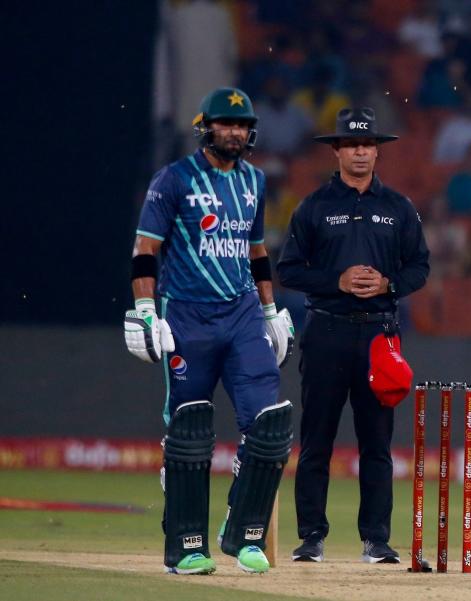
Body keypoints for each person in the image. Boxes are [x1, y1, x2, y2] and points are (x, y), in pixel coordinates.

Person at [124, 88, 295, 575]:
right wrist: (144, 309)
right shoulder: (173, 179)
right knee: (190, 430)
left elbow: (257, 251)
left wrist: (268, 310)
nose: (236, 132)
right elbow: (144, 248)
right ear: (206, 127)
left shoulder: (256, 181)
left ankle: (243, 535)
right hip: (187, 317)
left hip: (242, 315)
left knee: (269, 423)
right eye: (226, 124)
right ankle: (185, 547)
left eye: (242, 126)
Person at [278, 107, 430, 564]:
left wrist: (388, 285)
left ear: (376, 150)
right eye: (351, 144)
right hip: (326, 331)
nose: (360, 151)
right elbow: (288, 269)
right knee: (317, 440)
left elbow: (419, 267)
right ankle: (311, 538)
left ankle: (376, 540)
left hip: (378, 337)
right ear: (337, 150)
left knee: (377, 444)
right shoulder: (314, 207)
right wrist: (337, 282)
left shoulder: (399, 208)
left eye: (367, 144)